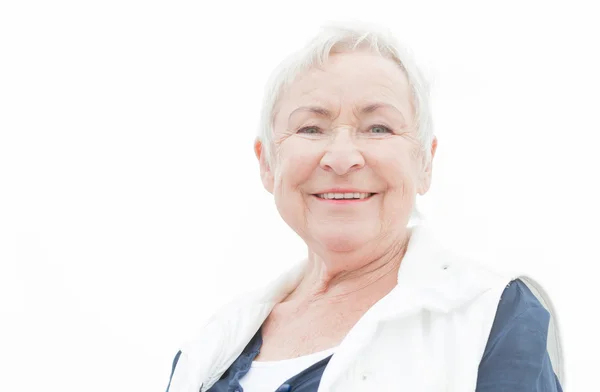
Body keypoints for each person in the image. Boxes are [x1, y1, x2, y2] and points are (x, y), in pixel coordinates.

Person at [165, 22, 564, 391]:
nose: (341, 157)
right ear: (267, 164)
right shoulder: (208, 349)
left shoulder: (494, 316)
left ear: (425, 162)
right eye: (310, 128)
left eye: (378, 128)